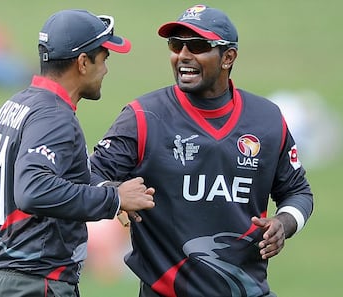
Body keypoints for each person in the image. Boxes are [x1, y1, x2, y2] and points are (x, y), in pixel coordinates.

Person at [90, 4, 313, 297]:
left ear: (228, 57)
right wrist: (115, 194)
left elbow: (298, 192)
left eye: (197, 46)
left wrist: (283, 224)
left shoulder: (267, 119)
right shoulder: (143, 116)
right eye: (176, 45)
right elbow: (92, 174)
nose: (183, 55)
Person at [0, 9, 155, 297]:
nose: (106, 69)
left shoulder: (18, 104)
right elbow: (33, 190)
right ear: (83, 62)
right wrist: (114, 198)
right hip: (33, 283)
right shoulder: (55, 116)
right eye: (104, 58)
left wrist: (105, 188)